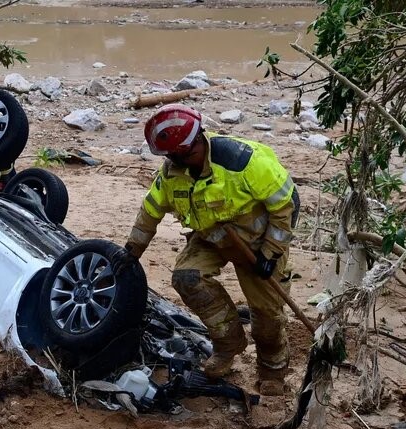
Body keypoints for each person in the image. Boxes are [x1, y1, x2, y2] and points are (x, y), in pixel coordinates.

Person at [123, 104, 298, 396]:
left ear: (200, 138)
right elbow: (150, 210)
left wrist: (271, 252)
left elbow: (285, 205)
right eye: (174, 158)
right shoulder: (172, 172)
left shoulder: (243, 162)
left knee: (267, 315)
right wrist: (132, 250)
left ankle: (272, 368)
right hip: (211, 237)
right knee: (187, 277)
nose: (182, 163)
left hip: (257, 243)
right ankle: (228, 345)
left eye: (188, 155)